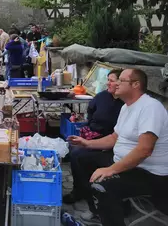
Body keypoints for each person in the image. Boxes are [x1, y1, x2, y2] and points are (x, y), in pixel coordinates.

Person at [68, 69, 168, 226]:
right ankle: (98, 211)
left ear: (136, 85)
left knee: (102, 186)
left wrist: (111, 169)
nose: (116, 83)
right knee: (80, 156)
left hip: (148, 173)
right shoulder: (126, 107)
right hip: (124, 162)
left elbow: (145, 149)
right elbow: (114, 138)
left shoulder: (150, 108)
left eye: (121, 80)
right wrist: (87, 143)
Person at [63, 70, 124, 204]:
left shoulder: (125, 104)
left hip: (110, 141)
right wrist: (90, 132)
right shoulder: (101, 97)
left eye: (112, 80)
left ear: (122, 83)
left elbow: (117, 135)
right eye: (107, 79)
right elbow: (90, 113)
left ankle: (87, 191)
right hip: (93, 135)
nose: (108, 83)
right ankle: (80, 189)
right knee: (73, 149)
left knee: (78, 153)